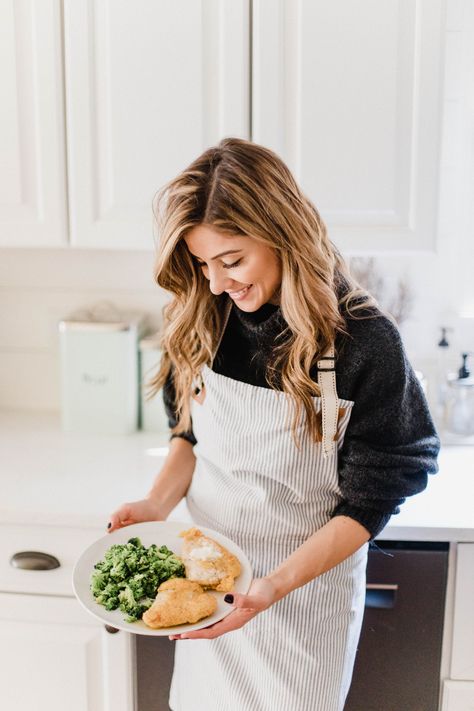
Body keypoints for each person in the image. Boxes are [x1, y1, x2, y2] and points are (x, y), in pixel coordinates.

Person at [107, 137, 440, 711]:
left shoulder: (362, 341)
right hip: (205, 589)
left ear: (282, 231)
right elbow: (188, 432)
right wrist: (157, 504)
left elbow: (376, 493)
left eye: (232, 260)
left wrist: (270, 588)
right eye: (202, 263)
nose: (217, 283)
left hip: (300, 605)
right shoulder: (203, 313)